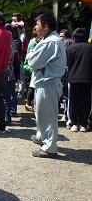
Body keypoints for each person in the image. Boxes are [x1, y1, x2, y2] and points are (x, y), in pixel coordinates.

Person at [27, 14, 66, 158]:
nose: (35, 27)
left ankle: (50, 148)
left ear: (46, 26)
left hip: (47, 84)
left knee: (48, 116)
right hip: (47, 83)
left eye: (37, 24)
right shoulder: (52, 40)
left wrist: (31, 54)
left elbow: (33, 63)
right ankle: (43, 138)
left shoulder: (50, 42)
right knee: (42, 114)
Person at [65, 28, 92, 132]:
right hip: (88, 78)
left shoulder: (69, 48)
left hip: (72, 78)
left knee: (73, 101)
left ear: (74, 36)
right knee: (86, 102)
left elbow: (66, 64)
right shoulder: (90, 48)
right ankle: (84, 124)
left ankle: (74, 123)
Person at [23, 31, 40, 111]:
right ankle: (28, 103)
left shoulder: (34, 42)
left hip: (31, 66)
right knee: (32, 86)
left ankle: (30, 103)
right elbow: (31, 56)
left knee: (31, 85)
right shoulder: (33, 43)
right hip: (31, 67)